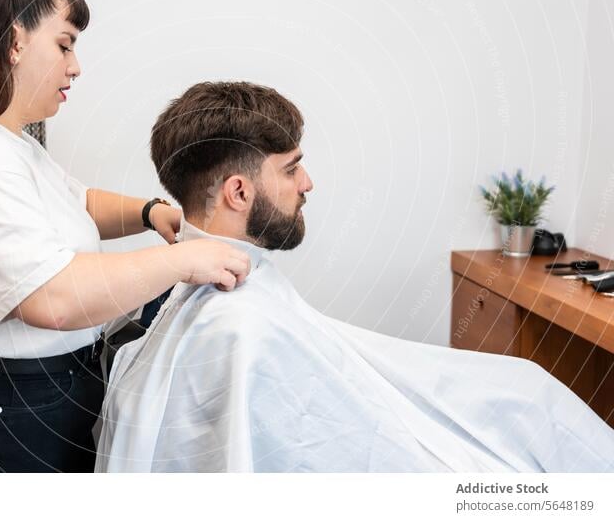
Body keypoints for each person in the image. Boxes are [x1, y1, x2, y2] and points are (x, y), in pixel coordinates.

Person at [95, 81, 614, 473]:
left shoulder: (208, 299)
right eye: (292, 168)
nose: (308, 183)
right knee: (533, 423)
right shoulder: (236, 331)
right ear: (238, 192)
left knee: (525, 390)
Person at [0, 0, 251, 473]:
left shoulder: (14, 145)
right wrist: (185, 261)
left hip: (52, 400)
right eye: (64, 44)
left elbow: (78, 204)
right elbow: (51, 298)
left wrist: (153, 213)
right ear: (13, 42)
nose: (75, 66)